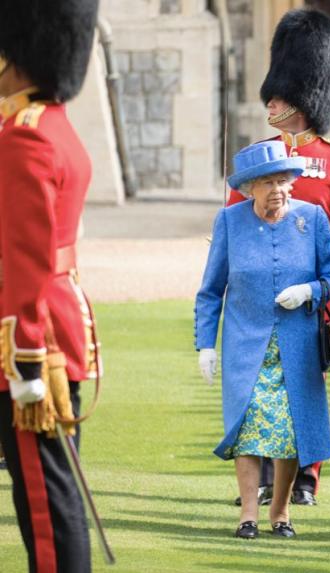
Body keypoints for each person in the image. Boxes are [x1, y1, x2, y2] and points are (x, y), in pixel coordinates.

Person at [225, 6, 330, 508]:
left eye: (283, 94)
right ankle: (259, 477)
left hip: (313, 300)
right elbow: (232, 229)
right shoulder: (257, 157)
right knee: (259, 384)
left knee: (308, 388)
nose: (272, 101)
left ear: (303, 98)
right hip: (259, 296)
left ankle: (305, 477)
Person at [195, 140, 330, 539]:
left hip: (297, 345)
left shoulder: (312, 219)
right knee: (247, 426)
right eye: (267, 182)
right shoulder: (229, 221)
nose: (278, 189)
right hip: (245, 345)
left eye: (283, 180)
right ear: (249, 189)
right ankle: (247, 514)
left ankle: (281, 513)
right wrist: (206, 345)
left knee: (289, 431)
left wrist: (309, 291)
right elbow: (211, 290)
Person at [0, 1, 101, 571]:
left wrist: (28, 362)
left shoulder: (23, 137)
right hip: (58, 321)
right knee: (53, 488)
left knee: (44, 499)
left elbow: (28, 259)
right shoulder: (56, 128)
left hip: (29, 338)